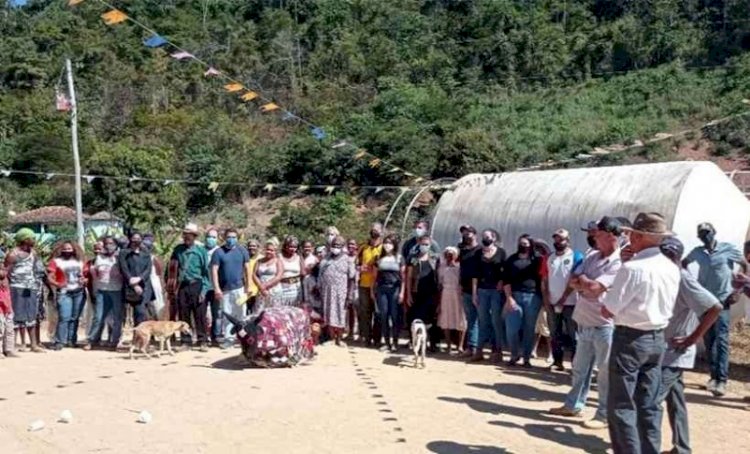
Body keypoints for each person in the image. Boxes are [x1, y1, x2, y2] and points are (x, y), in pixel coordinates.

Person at [603, 212, 680, 454]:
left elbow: (608, 309)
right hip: (657, 338)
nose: (629, 239)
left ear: (639, 236)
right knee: (649, 404)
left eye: (631, 234)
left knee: (622, 404)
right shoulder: (671, 267)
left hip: (630, 338)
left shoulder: (633, 268)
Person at [550, 216, 623, 429]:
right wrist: (585, 283)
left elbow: (594, 288)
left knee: (604, 372)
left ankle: (603, 414)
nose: (593, 238)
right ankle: (573, 405)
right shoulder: (592, 257)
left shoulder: (618, 262)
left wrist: (586, 284)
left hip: (605, 325)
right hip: (585, 321)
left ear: (610, 236)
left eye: (597, 234)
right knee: (580, 369)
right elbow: (573, 280)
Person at [658, 237, 722, 454]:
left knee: (650, 401)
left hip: (675, 352)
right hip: (664, 350)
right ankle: (682, 448)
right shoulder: (665, 276)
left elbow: (715, 307)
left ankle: (645, 446)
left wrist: (692, 338)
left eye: (669, 255)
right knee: (675, 401)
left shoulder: (683, 279)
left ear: (677, 257)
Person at [681, 222, 747, 397]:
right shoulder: (698, 252)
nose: (705, 236)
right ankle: (713, 376)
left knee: (722, 338)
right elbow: (684, 263)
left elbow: (744, 265)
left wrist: (738, 289)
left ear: (714, 233)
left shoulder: (728, 249)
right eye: (702, 234)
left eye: (707, 233)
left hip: (723, 299)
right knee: (709, 338)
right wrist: (691, 284)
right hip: (705, 301)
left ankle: (722, 380)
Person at [544, 229, 584, 371]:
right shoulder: (549, 257)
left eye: (561, 239)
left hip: (571, 303)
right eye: (556, 239)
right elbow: (545, 279)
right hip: (553, 302)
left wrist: (564, 297)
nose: (558, 242)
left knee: (574, 335)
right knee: (555, 333)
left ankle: (576, 363)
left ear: (567, 240)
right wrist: (546, 299)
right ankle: (557, 361)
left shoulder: (576, 256)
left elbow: (575, 278)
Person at [168, 223, 211, 351]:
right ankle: (186, 341)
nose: (187, 237)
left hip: (196, 284)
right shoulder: (178, 250)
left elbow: (205, 273)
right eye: (185, 235)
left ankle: (202, 340)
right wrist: (171, 287)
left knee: (200, 313)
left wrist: (204, 289)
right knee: (183, 313)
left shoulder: (201, 251)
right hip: (182, 286)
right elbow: (171, 269)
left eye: (189, 235)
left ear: (194, 236)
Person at [503, 234, 543, 367]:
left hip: (533, 297)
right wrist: (509, 298)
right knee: (511, 328)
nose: (523, 246)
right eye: (521, 243)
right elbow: (506, 281)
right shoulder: (511, 260)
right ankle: (514, 354)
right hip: (514, 296)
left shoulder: (537, 260)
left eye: (526, 244)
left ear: (531, 245)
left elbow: (543, 279)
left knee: (529, 329)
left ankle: (526, 357)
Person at [4, 228, 44, 353]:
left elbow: (36, 269)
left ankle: (33, 344)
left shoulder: (33, 253)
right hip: (16, 288)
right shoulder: (13, 255)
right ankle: (13, 345)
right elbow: (6, 272)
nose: (34, 240)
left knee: (31, 315)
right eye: (32, 238)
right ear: (25, 239)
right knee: (16, 316)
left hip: (30, 288)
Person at [471, 229, 506, 363]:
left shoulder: (501, 252)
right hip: (482, 290)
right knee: (483, 320)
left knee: (496, 321)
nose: (485, 238)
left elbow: (504, 271)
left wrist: (501, 282)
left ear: (494, 238)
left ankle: (497, 350)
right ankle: (479, 350)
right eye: (483, 236)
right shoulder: (478, 253)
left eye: (487, 236)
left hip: (496, 291)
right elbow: (475, 275)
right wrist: (474, 293)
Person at [211, 228, 250, 349]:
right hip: (225, 289)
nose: (231, 239)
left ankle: (242, 337)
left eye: (233, 237)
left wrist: (248, 286)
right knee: (228, 314)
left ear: (237, 238)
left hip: (240, 288)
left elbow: (247, 269)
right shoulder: (218, 252)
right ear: (224, 238)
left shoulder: (242, 250)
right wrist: (217, 288)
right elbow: (214, 270)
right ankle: (229, 338)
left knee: (241, 313)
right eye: (229, 237)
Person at [47, 241, 88, 350]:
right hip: (64, 292)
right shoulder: (56, 261)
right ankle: (60, 341)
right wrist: (57, 284)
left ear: (74, 250)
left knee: (74, 318)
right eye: (65, 249)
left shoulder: (80, 262)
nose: (67, 251)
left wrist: (84, 280)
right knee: (64, 317)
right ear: (61, 250)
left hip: (79, 291)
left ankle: (71, 340)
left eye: (69, 249)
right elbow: (50, 277)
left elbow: (85, 275)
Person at [85, 236, 124, 351]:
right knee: (98, 316)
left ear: (116, 244)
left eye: (111, 243)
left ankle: (115, 341)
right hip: (102, 290)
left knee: (117, 317)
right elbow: (96, 274)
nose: (108, 245)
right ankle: (91, 340)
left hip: (117, 290)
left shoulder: (119, 257)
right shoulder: (99, 258)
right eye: (106, 243)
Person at [319, 236, 356, 346]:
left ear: (343, 247)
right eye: (334, 245)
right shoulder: (326, 259)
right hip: (327, 291)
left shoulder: (348, 260)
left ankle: (339, 339)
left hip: (341, 292)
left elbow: (352, 278)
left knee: (340, 314)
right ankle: (331, 338)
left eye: (338, 245)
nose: (336, 247)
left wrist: (349, 295)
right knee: (328, 313)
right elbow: (320, 274)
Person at [405, 234, 440, 351]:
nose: (424, 246)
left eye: (427, 244)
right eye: (422, 244)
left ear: (430, 245)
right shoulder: (412, 258)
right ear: (418, 244)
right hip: (416, 292)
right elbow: (409, 277)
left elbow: (439, 276)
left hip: (431, 293)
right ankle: (414, 341)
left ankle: (433, 343)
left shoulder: (435, 259)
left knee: (431, 319)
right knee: (415, 318)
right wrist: (409, 294)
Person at [371, 234, 405, 352]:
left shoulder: (399, 258)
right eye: (385, 242)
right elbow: (374, 277)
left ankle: (395, 341)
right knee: (383, 315)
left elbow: (403, 277)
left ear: (394, 245)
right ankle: (386, 342)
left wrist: (402, 292)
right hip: (382, 289)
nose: (387, 245)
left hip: (394, 289)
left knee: (395, 316)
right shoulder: (378, 258)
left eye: (390, 243)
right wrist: (372, 290)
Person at [119, 231, 153, 329]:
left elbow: (148, 269)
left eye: (138, 239)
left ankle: (141, 337)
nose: (136, 241)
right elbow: (124, 269)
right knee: (136, 313)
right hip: (129, 287)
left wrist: (140, 278)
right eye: (134, 239)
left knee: (142, 313)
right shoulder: (124, 253)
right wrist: (133, 283)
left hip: (144, 286)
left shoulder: (145, 253)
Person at [357, 223, 383, 347]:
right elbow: (355, 264)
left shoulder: (384, 248)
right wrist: (360, 268)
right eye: (373, 229)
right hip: (364, 284)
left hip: (379, 286)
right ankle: (366, 338)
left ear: (382, 231)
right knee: (365, 312)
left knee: (378, 313)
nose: (374, 231)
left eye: (377, 229)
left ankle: (377, 339)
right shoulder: (363, 247)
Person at [457, 224, 481, 358]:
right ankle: (471, 346)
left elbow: (477, 273)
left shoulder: (479, 250)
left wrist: (475, 290)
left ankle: (478, 347)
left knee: (480, 318)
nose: (466, 235)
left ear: (474, 234)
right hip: (465, 288)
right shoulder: (464, 250)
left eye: (469, 233)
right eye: (464, 233)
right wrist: (460, 284)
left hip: (477, 289)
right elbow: (462, 269)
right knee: (470, 318)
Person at [438, 246, 466, 354]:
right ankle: (448, 345)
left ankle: (460, 345)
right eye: (447, 254)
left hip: (458, 294)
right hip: (446, 293)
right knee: (446, 318)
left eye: (452, 254)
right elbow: (440, 284)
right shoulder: (442, 267)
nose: (449, 256)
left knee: (460, 318)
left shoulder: (459, 267)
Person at [252, 237, 284, 312]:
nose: (269, 252)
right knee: (260, 312)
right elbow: (254, 274)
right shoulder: (259, 261)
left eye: (271, 250)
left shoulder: (278, 261)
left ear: (275, 251)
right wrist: (261, 286)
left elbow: (279, 276)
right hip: (261, 290)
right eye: (267, 249)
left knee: (274, 312)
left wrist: (265, 285)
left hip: (274, 290)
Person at [204, 228, 221, 345]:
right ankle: (204, 337)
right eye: (209, 236)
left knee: (217, 313)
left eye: (214, 237)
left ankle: (215, 337)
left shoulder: (220, 251)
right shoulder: (200, 250)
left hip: (217, 287)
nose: (211, 239)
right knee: (202, 313)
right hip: (203, 287)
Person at [279, 235, 305, 307]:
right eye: (290, 246)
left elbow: (303, 273)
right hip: (282, 287)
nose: (293, 249)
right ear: (285, 246)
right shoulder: (279, 257)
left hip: (296, 288)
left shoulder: (299, 257)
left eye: (295, 247)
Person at [0, 266, 17, 357]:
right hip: (1, 311)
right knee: (0, 331)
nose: (3, 272)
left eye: (4, 270)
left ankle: (9, 349)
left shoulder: (6, 281)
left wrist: (9, 308)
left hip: (8, 310)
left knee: (9, 330)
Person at [244, 238, 261, 315]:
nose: (252, 248)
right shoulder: (244, 258)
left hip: (258, 290)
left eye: (254, 246)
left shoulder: (261, 258)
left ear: (258, 247)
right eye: (250, 246)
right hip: (246, 290)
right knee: (246, 312)